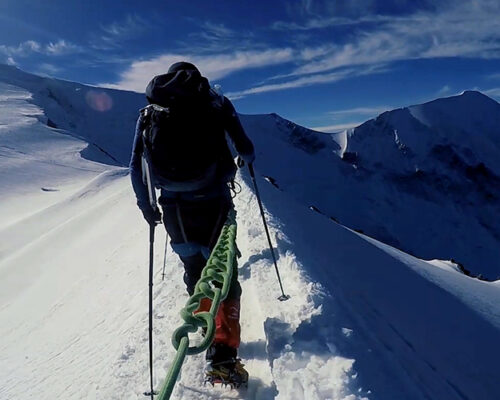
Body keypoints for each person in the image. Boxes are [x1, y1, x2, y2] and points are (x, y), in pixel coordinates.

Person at [129, 61, 255, 386]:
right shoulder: (215, 103)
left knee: (196, 271)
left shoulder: (150, 112)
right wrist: (245, 158)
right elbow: (244, 146)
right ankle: (223, 357)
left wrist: (147, 208)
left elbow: (135, 167)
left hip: (173, 208)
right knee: (224, 277)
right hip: (214, 200)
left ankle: (204, 322)